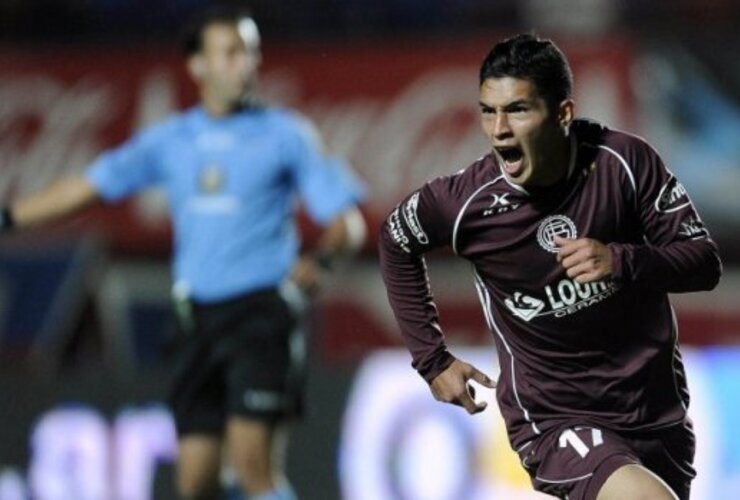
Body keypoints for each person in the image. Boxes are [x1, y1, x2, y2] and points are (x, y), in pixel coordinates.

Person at [1, 6, 366, 500]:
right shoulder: (171, 140)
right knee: (195, 484)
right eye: (232, 52)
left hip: (261, 317)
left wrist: (322, 259)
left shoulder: (285, 134)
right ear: (198, 66)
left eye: (251, 52)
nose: (247, 64)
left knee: (253, 467)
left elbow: (348, 223)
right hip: (195, 321)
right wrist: (10, 217)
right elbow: (87, 187)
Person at [378, 33, 721, 500]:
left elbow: (704, 263)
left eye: (518, 110)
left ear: (563, 114)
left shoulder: (624, 163)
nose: (499, 129)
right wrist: (432, 359)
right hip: (556, 419)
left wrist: (621, 259)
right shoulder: (464, 204)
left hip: (655, 412)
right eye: (487, 110)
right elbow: (395, 242)